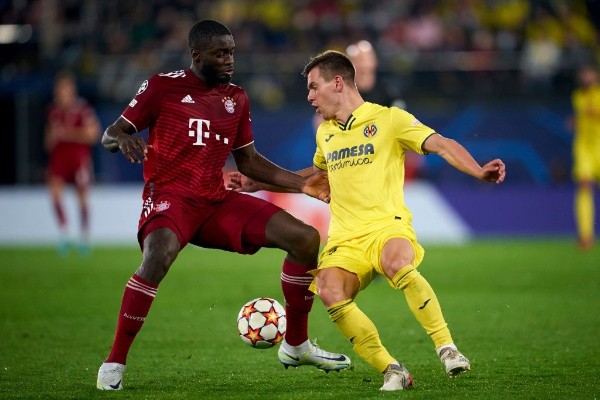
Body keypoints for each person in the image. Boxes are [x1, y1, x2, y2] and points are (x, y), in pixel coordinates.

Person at [229, 50, 506, 391]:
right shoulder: (326, 134)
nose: (309, 97)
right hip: (346, 239)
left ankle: (447, 347)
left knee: (396, 262)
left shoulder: (391, 119)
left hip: (388, 226)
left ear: (338, 82)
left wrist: (478, 171)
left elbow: (442, 144)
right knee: (329, 290)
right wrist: (255, 182)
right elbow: (316, 176)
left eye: (314, 87)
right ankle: (392, 369)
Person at [95, 21, 350, 391]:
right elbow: (110, 133)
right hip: (171, 198)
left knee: (306, 239)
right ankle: (114, 363)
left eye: (231, 51)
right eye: (220, 53)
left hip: (214, 201)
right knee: (158, 256)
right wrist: (122, 138)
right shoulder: (161, 86)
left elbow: (249, 162)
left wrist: (301, 184)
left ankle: (296, 345)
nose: (229, 60)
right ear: (197, 55)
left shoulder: (236, 98)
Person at [44, 71, 101, 255]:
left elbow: (93, 134)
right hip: (59, 157)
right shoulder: (53, 110)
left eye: (65, 89)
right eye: (59, 89)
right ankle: (65, 233)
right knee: (54, 193)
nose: (62, 93)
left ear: (72, 90)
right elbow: (48, 139)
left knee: (82, 198)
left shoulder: (82, 109)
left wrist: (67, 133)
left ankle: (84, 237)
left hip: (78, 158)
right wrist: (51, 139)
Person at [571, 64, 600, 250]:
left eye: (589, 73)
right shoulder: (578, 96)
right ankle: (586, 235)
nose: (586, 77)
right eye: (583, 73)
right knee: (584, 185)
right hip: (584, 147)